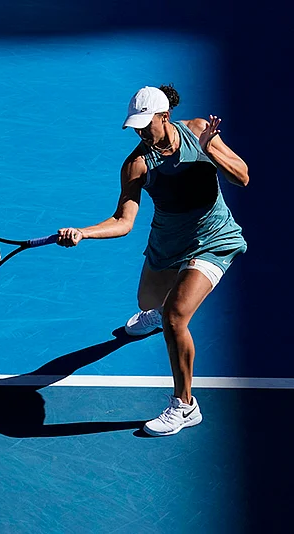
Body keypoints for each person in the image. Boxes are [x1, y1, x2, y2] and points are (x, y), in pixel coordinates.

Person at [55, 84, 249, 436]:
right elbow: (123, 221)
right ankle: (159, 314)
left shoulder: (199, 131)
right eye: (136, 127)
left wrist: (210, 151)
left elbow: (243, 176)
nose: (142, 133)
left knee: (175, 317)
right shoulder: (136, 165)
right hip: (167, 244)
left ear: (165, 116)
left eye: (147, 125)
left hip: (213, 240)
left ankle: (185, 406)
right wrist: (84, 232)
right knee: (149, 304)